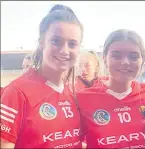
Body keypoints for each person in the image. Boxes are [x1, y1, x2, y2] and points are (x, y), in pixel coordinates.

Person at [0, 4, 85, 148]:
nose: (64, 50)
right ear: (41, 43)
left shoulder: (78, 89)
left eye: (72, 44)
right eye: (56, 41)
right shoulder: (16, 92)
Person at [76, 29, 145, 148]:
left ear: (142, 61)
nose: (125, 62)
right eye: (116, 55)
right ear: (104, 59)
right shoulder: (83, 98)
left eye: (134, 56)